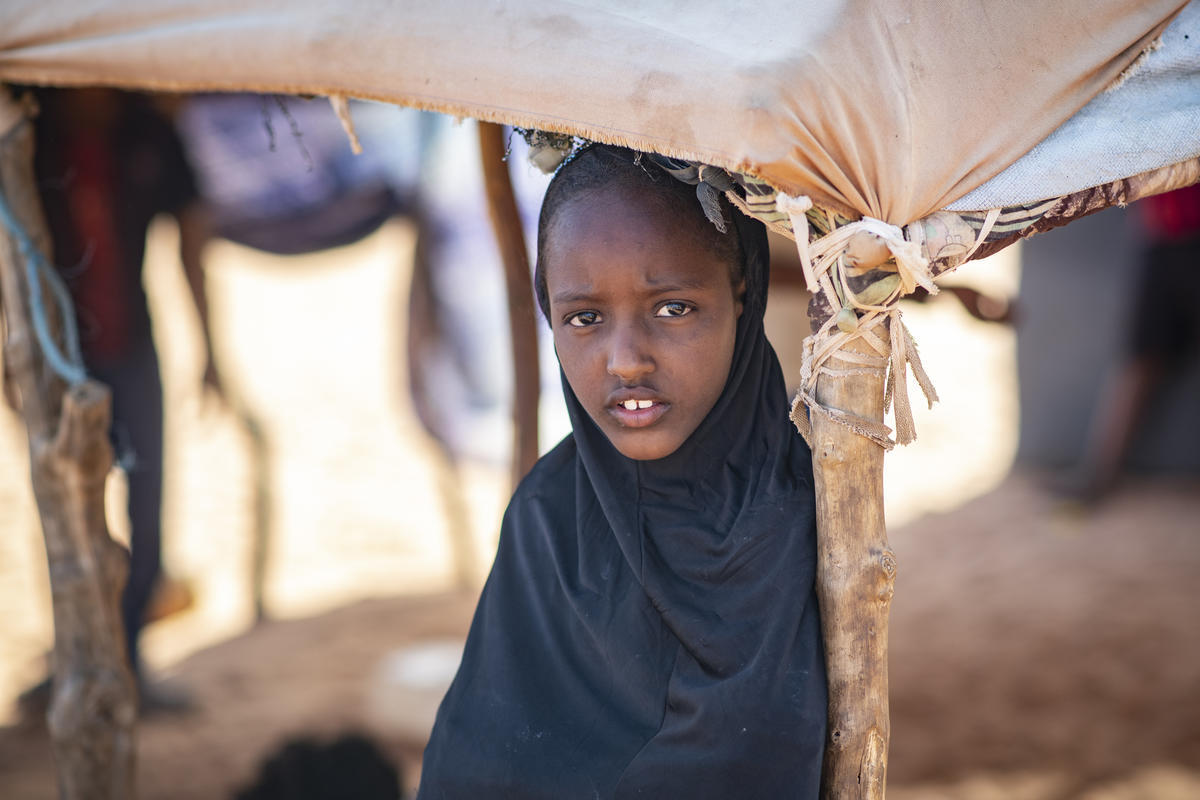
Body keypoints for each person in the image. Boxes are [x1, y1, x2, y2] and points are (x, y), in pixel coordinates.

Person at [417, 145, 826, 798]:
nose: (626, 360)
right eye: (585, 318)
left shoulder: (811, 512)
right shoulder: (548, 520)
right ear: (548, 314)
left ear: (741, 289)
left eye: (672, 309)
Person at [16, 88, 218, 712]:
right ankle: (79, 663)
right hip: (55, 357)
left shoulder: (146, 132)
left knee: (149, 509)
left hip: (133, 347)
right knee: (68, 513)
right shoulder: (26, 137)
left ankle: (125, 665)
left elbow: (191, 238)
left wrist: (213, 349)